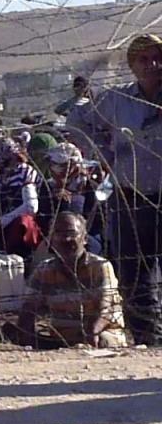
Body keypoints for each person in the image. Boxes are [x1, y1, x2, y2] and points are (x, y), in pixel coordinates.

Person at [71, 34, 162, 345]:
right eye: (144, 59)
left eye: (158, 58)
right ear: (133, 66)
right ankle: (148, 337)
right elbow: (76, 121)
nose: (153, 65)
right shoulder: (118, 100)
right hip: (129, 194)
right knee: (134, 271)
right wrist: (104, 152)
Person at [16, 212, 127, 349]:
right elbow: (28, 309)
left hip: (103, 334)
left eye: (72, 233)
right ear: (51, 240)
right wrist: (26, 335)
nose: (66, 239)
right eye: (58, 233)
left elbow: (105, 307)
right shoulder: (44, 270)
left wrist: (93, 332)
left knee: (103, 341)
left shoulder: (99, 266)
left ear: (85, 239)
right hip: (62, 340)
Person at [0, 137, 42, 262]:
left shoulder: (25, 172)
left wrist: (2, 221)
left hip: (16, 219)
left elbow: (31, 206)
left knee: (23, 222)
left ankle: (22, 256)